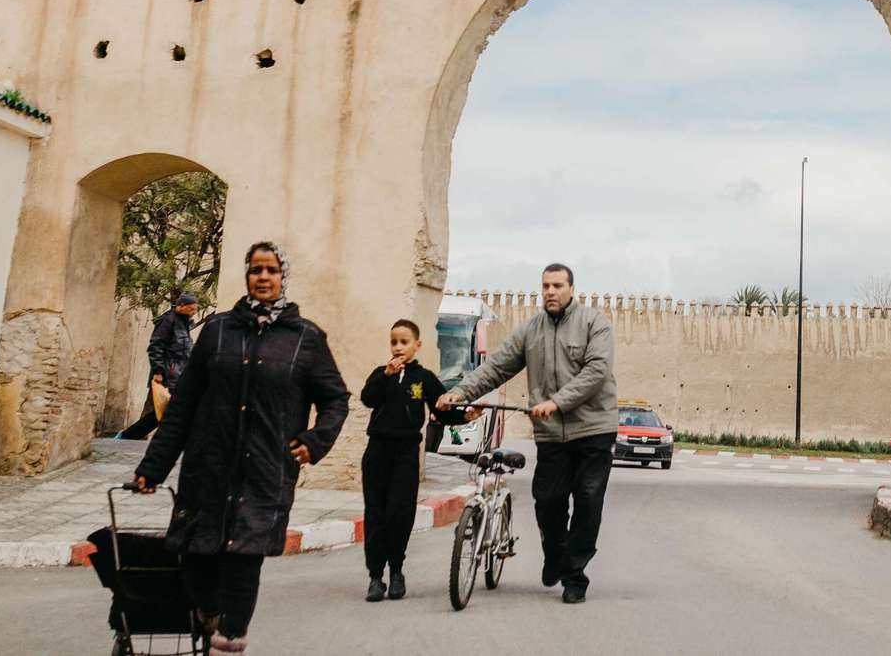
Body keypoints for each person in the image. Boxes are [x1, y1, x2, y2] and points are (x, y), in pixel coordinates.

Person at [133, 242, 348, 654]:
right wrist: (153, 466)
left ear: (283, 276)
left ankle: (228, 640)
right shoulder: (217, 331)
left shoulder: (306, 339)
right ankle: (210, 621)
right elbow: (184, 406)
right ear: (247, 275)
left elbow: (336, 399)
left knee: (242, 565)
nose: (263, 277)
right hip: (208, 469)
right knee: (196, 560)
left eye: (271, 270)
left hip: (265, 473)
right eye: (255, 270)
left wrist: (314, 441)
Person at [440, 263, 616, 604]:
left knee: (588, 501)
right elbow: (496, 367)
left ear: (571, 289)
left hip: (593, 430)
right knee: (547, 501)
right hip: (551, 435)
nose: (550, 292)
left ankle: (575, 576)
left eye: (557, 285)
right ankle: (556, 555)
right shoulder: (530, 331)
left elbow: (597, 370)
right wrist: (460, 393)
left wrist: (557, 402)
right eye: (545, 286)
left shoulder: (595, 324)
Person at [358, 318, 471, 602]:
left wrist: (464, 416)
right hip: (377, 452)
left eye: (404, 342)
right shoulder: (380, 374)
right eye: (394, 342)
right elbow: (367, 399)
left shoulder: (424, 378)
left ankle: (397, 572)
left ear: (417, 345)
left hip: (407, 454)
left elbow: (441, 410)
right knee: (376, 514)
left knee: (399, 513)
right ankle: (375, 577)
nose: (398, 347)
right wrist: (385, 374)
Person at [117, 291, 199, 440]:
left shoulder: (183, 324)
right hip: (168, 374)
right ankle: (127, 436)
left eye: (195, 309)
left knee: (161, 412)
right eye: (191, 308)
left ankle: (127, 436)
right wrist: (158, 371)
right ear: (181, 306)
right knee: (167, 410)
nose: (194, 312)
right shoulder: (168, 321)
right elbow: (156, 346)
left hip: (179, 374)